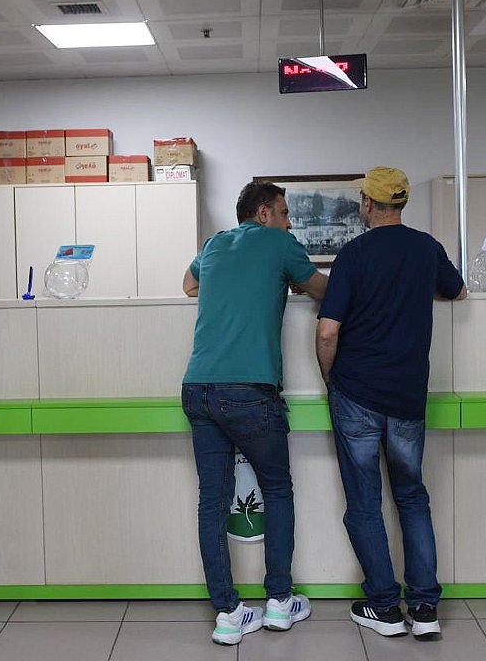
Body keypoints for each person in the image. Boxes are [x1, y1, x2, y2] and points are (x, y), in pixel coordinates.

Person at [315, 167, 466, 641]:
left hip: (356, 395)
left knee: (364, 503)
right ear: (401, 203)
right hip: (407, 396)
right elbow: (458, 290)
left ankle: (383, 606)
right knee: (412, 497)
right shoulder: (427, 249)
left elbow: (327, 331)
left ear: (367, 203)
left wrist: (329, 379)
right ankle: (424, 608)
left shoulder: (354, 254)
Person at [180, 181, 328, 645]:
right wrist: (287, 279)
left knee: (211, 500)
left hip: (198, 387)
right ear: (263, 213)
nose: (289, 222)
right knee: (277, 490)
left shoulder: (213, 244)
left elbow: (188, 285)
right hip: (249, 391)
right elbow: (325, 289)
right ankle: (279, 602)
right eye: (284, 213)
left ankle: (228, 614)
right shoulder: (279, 244)